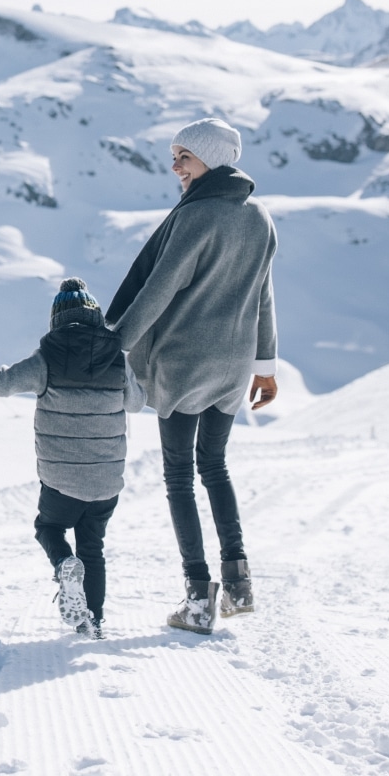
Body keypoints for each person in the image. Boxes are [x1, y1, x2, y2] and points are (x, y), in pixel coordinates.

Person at [104, 118, 278, 635]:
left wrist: (114, 346)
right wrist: (264, 366)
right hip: (233, 365)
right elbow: (262, 296)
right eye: (175, 155)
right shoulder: (259, 217)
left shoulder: (196, 215)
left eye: (185, 156)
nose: (175, 166)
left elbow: (159, 287)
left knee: (180, 476)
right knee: (216, 468)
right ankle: (239, 583)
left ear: (213, 160)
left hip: (184, 362)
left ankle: (198, 597)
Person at [0, 278, 143, 639]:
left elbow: (3, 382)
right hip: (106, 482)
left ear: (57, 320)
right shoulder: (117, 358)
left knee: (48, 528)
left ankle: (64, 562)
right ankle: (91, 622)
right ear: (97, 318)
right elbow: (137, 403)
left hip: (61, 481)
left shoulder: (48, 358)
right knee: (93, 547)